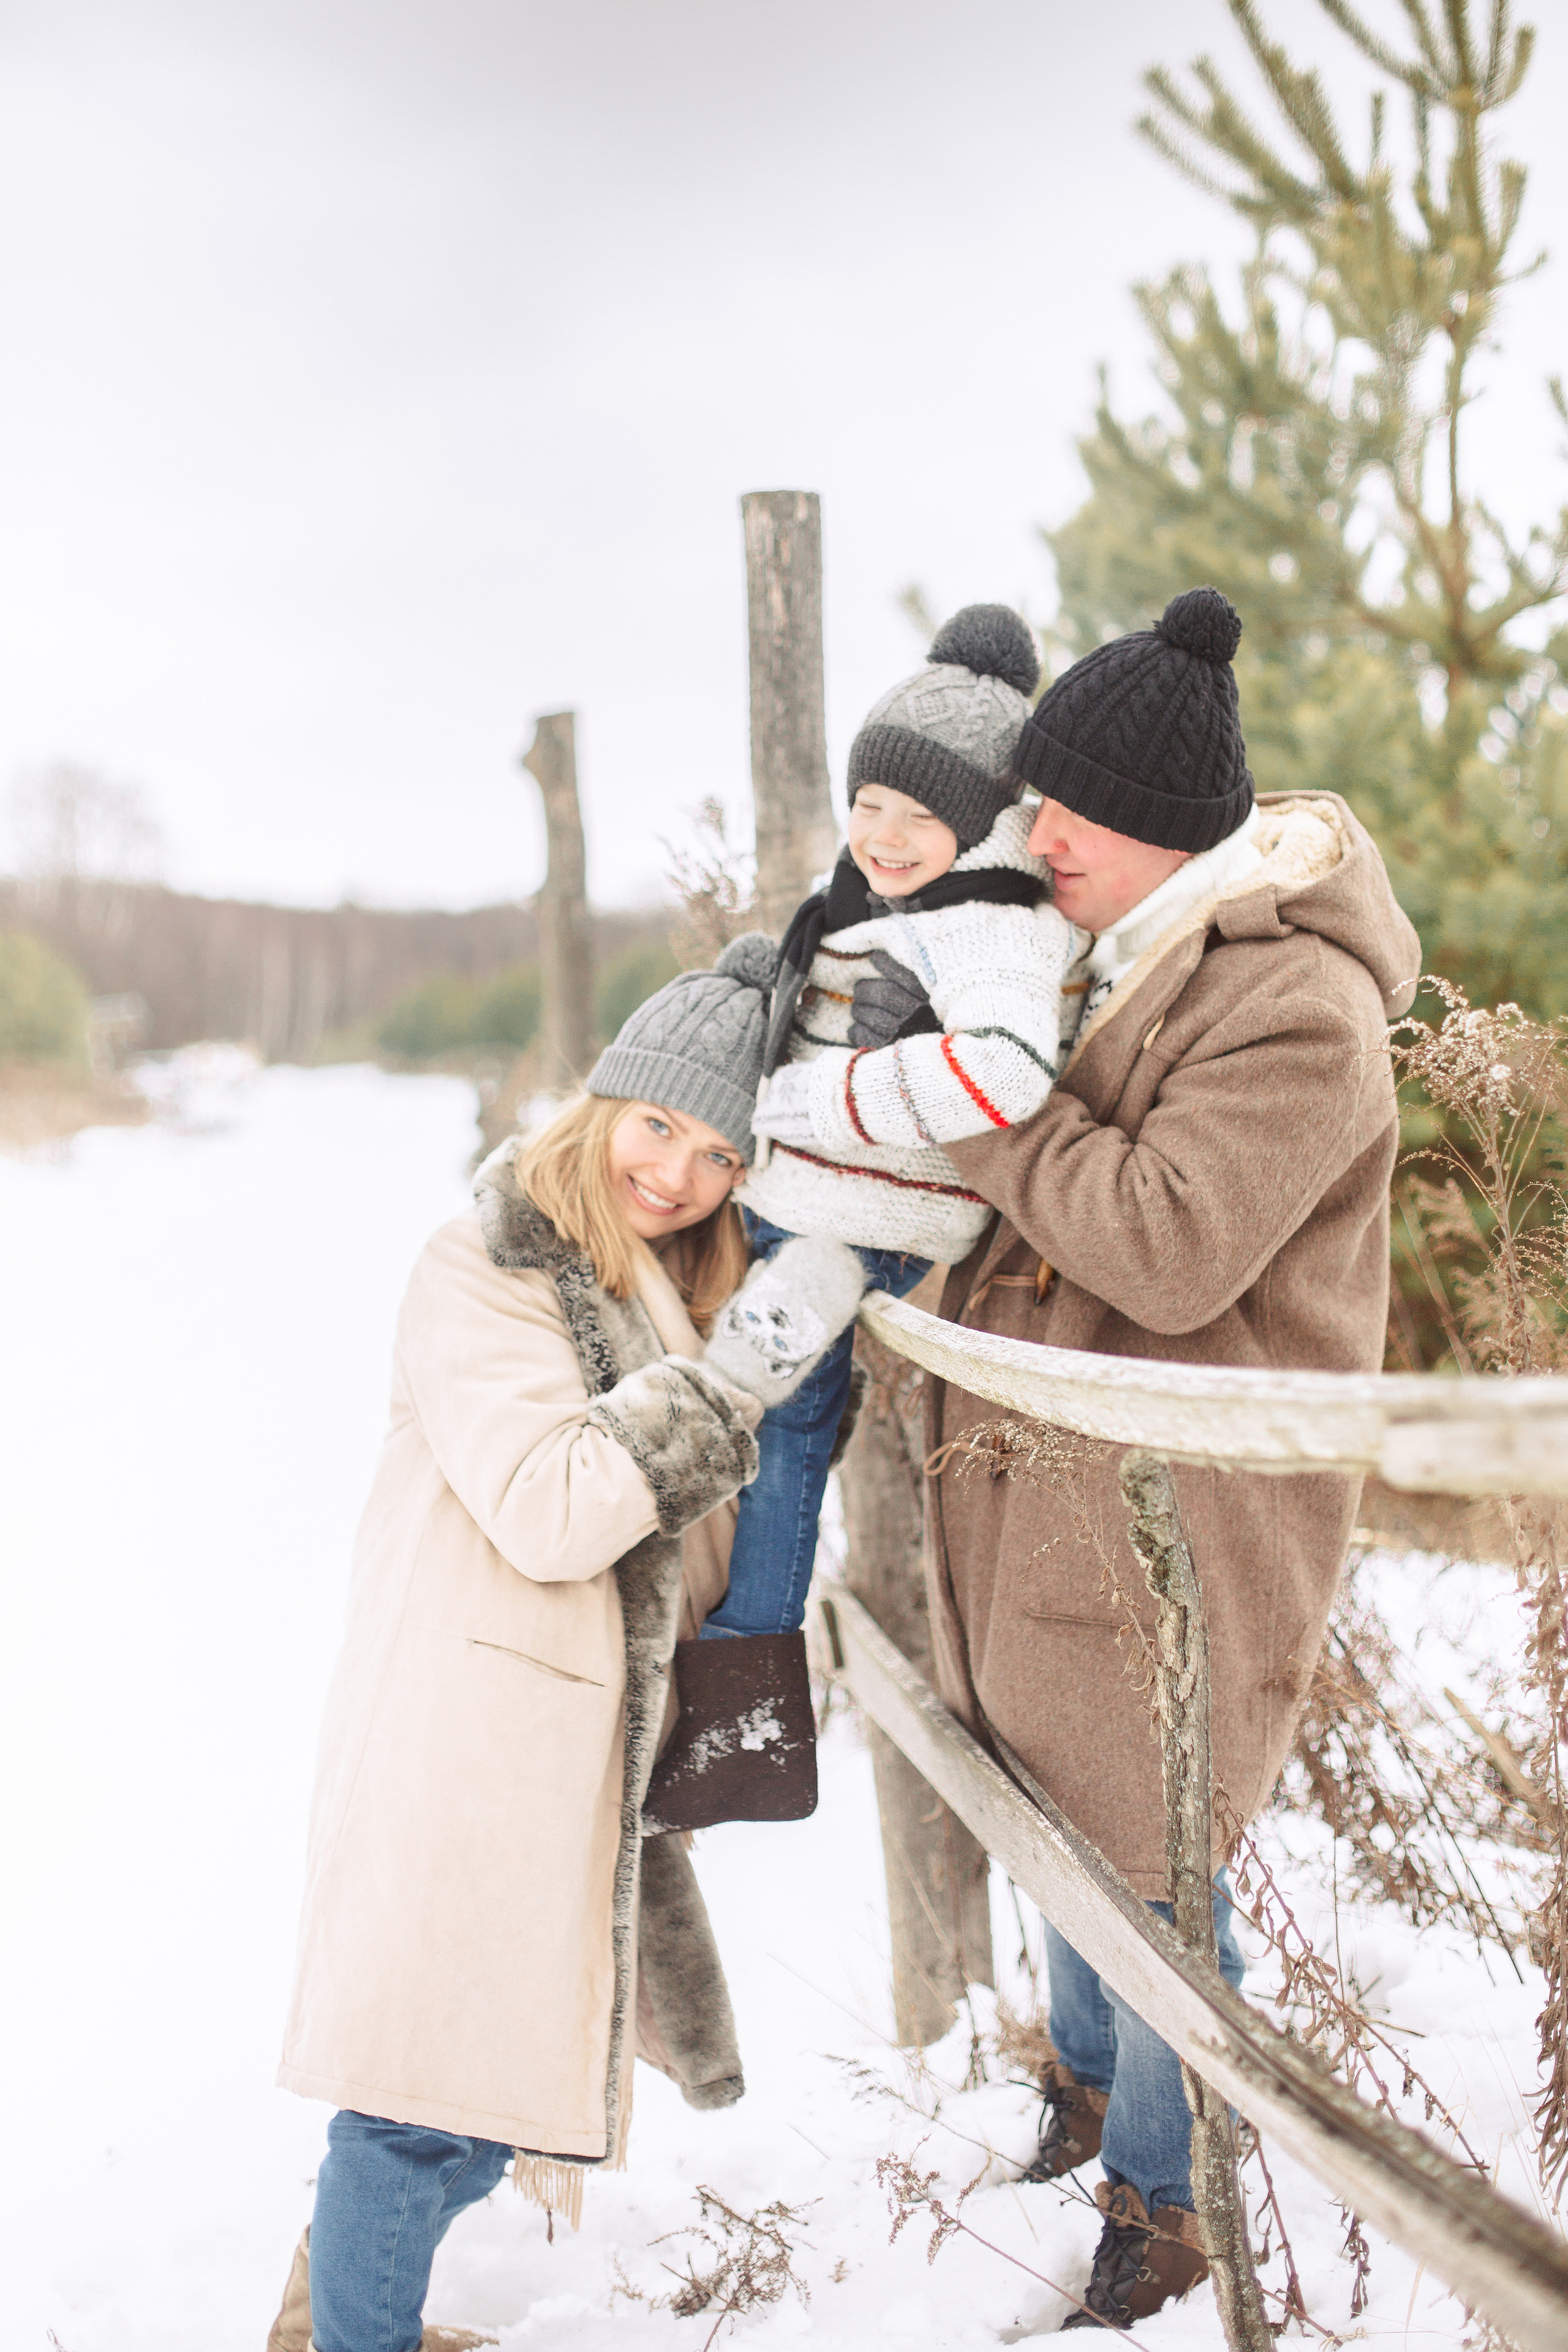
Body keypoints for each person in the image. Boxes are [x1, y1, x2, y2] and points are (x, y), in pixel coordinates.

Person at [851, 586, 1420, 2329]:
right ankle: (1091, 2104)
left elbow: (1169, 1244)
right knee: (1060, 1812)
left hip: (1183, 1505)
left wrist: (975, 1096)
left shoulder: (1298, 1008)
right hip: (1057, 1478)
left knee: (1155, 1862)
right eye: (1036, 801)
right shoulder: (1106, 940)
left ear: (1164, 829)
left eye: (1071, 814)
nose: (1037, 837)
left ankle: (1167, 2206)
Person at [265, 936, 861, 2352]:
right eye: (656, 1126)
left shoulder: (662, 1280)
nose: (676, 1174)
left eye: (719, 1154)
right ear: (600, 1104)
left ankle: (324, 2322)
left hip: (563, 1753)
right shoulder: (487, 1262)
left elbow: (697, 1534)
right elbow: (550, 1509)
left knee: (476, 2097)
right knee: (421, 2104)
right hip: (471, 1740)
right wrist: (735, 1379)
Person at [646, 606, 1081, 1830]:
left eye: (918, 814)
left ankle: (743, 1720)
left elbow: (1003, 1072)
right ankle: (695, 1655)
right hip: (801, 1201)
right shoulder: (890, 896)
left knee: (775, 1422)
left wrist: (821, 1094)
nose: (883, 834)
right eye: (868, 801)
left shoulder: (989, 924)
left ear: (980, 822)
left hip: (856, 1224)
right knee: (749, 1408)